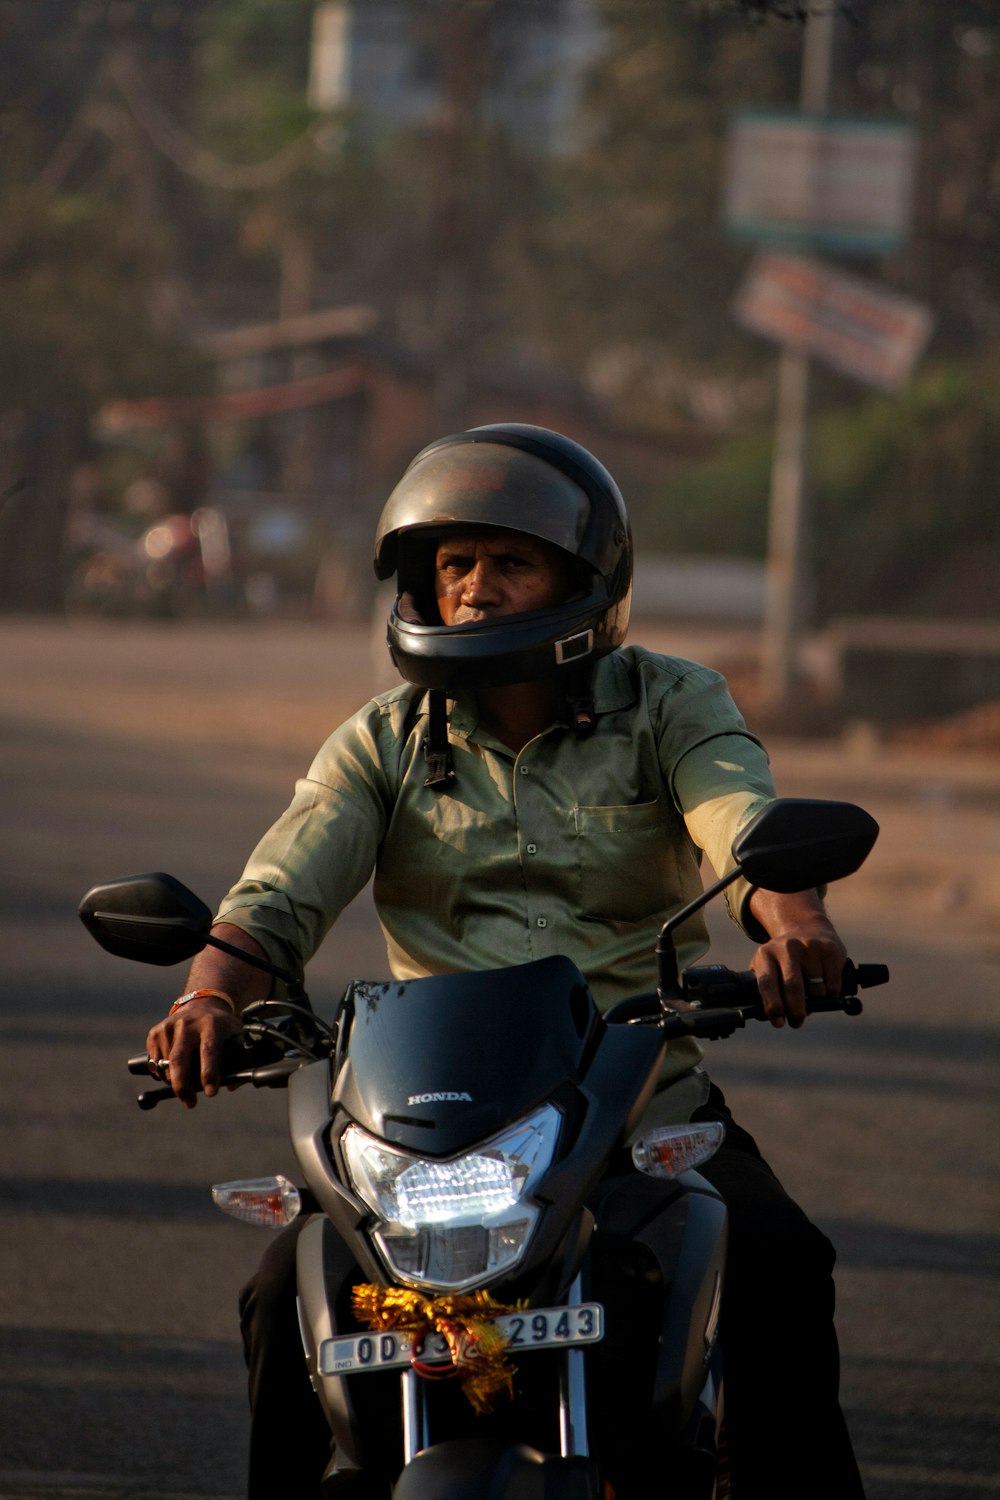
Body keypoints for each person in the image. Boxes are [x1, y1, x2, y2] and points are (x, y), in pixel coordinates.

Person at [146, 424, 865, 1498]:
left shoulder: (671, 706)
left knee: (777, 1264)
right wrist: (210, 994)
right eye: (454, 565)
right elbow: (281, 889)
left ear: (582, 580)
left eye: (508, 562)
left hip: (636, 1114)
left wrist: (793, 920)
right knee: (278, 1299)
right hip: (429, 1142)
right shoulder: (381, 739)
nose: (475, 589)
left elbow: (738, 817)